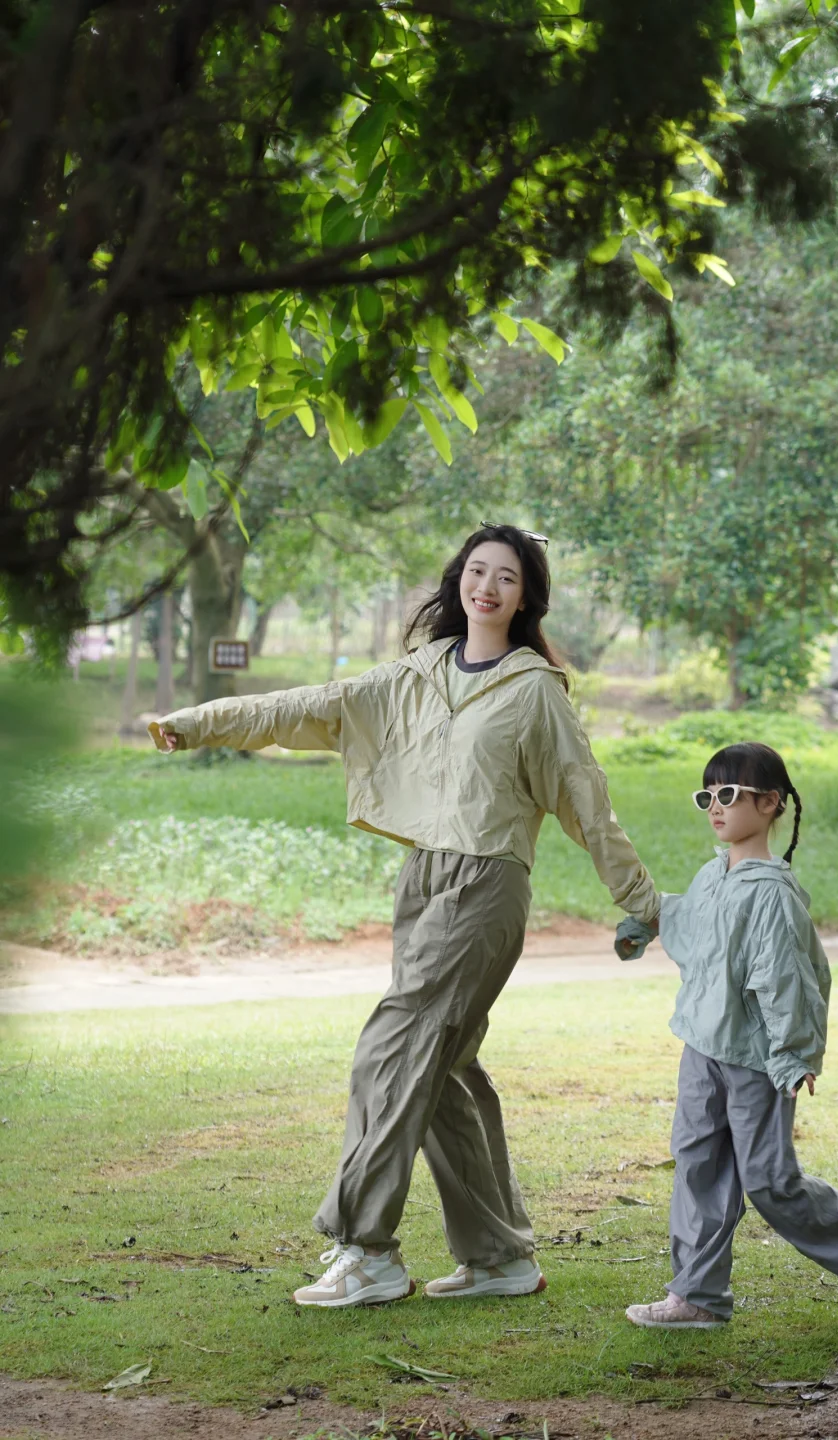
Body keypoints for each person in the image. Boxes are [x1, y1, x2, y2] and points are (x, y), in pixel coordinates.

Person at [149, 524, 660, 1309]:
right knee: (441, 1069)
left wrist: (639, 900)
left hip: (488, 884)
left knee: (390, 1052)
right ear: (459, 579)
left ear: (527, 599)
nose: (486, 587)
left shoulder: (534, 691)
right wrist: (201, 722)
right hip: (423, 879)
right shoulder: (416, 675)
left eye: (507, 579)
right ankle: (498, 1257)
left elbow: (585, 798)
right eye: (477, 571)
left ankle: (367, 1248)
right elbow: (307, 707)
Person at [614, 741, 838, 1328]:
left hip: (755, 1060)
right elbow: (689, 919)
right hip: (702, 1046)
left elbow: (787, 978)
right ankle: (697, 1297)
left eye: (728, 794)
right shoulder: (713, 874)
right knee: (697, 1165)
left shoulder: (773, 893)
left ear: (769, 804)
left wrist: (793, 1056)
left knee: (769, 1180)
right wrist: (645, 921)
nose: (715, 807)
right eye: (706, 796)